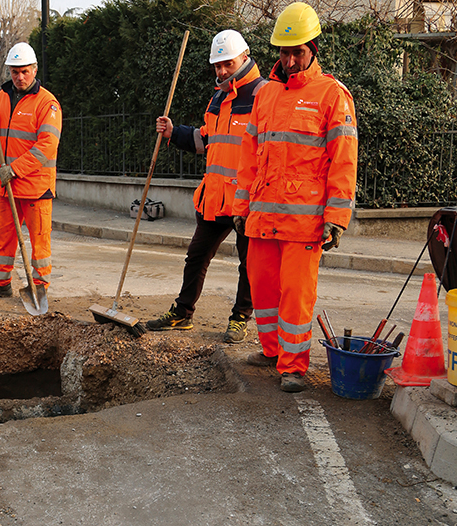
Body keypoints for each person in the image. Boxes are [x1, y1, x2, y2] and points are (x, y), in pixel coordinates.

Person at [233, 2, 358, 392]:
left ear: (313, 48)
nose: (289, 60)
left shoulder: (332, 95)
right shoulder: (266, 95)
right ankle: (272, 351)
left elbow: (344, 159)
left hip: (304, 222)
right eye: (284, 52)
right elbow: (249, 155)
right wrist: (241, 206)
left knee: (296, 296)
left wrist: (336, 218)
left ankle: (293, 366)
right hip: (263, 218)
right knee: (262, 288)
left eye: (296, 52)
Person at [146, 30, 265, 344]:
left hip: (247, 199)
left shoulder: (263, 95)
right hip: (215, 196)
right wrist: (175, 133)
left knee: (248, 264)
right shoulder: (219, 97)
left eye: (227, 64)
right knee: (196, 257)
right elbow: (207, 139)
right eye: (217, 66)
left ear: (245, 56)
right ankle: (182, 314)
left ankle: (240, 318)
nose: (222, 71)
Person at [0, 42, 62, 300]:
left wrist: (15, 169)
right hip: (7, 185)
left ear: (34, 69)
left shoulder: (47, 103)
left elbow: (47, 146)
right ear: (9, 71)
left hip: (35, 186)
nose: (19, 77)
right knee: (3, 238)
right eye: (15, 72)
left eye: (24, 71)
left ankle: (39, 286)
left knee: (39, 241)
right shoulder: (1, 97)